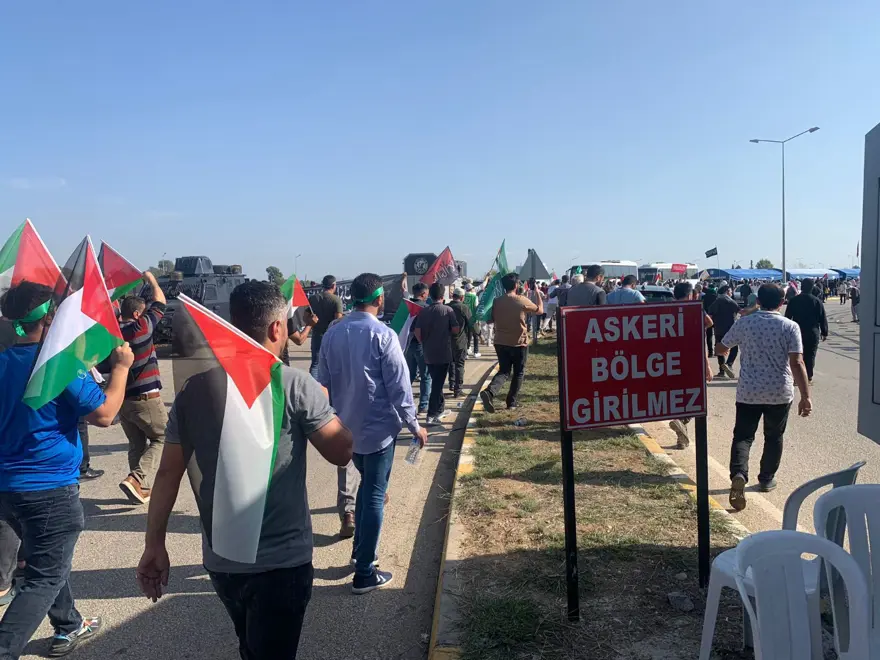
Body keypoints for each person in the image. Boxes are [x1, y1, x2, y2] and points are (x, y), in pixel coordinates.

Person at [138, 280, 353, 659]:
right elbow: (342, 451)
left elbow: (168, 474)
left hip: (223, 561)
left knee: (250, 645)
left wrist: (155, 543)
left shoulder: (195, 390)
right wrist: (326, 406)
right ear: (275, 328)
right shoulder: (295, 385)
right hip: (282, 564)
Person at [0, 281, 134, 658]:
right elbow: (106, 414)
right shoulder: (58, 367)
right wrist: (121, 369)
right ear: (50, 318)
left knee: (47, 558)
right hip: (49, 489)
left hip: (7, 488)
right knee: (44, 576)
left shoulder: (4, 361)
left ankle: (69, 625)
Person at [316, 273, 428, 594]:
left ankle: (359, 553)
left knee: (366, 491)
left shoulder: (332, 334)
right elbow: (399, 388)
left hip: (347, 431)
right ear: (379, 299)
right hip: (378, 433)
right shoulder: (384, 335)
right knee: (375, 495)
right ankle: (365, 572)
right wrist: (414, 425)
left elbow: (324, 381)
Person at [716, 284, 811, 511]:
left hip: (749, 390)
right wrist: (806, 395)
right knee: (774, 436)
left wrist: (726, 350)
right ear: (782, 302)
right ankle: (766, 478)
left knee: (743, 436)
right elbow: (797, 362)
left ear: (757, 300)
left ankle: (739, 473)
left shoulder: (745, 323)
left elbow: (721, 348)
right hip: (779, 391)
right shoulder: (790, 326)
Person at [117, 271, 168, 505]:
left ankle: (139, 489)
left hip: (122, 400)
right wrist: (152, 280)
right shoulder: (141, 328)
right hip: (145, 397)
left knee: (136, 443)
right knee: (162, 438)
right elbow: (161, 303)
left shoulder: (112, 333)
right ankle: (137, 479)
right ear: (137, 314)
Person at [480, 273, 541, 412]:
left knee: (504, 371)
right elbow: (540, 310)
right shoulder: (521, 300)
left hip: (500, 342)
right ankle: (511, 402)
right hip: (518, 342)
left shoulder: (496, 301)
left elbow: (492, 319)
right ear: (516, 285)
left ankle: (489, 392)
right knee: (518, 372)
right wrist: (537, 292)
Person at [668, 282, 713, 448]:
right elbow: (709, 323)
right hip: (692, 357)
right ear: (689, 295)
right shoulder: (693, 308)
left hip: (670, 358)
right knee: (695, 396)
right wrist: (707, 365)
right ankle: (681, 420)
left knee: (678, 394)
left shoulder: (665, 309)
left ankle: (681, 440)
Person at [413, 283, 460, 425]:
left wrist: (424, 341)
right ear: (443, 295)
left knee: (436, 381)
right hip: (443, 353)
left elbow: (417, 332)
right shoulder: (448, 310)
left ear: (430, 295)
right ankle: (431, 414)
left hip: (428, 353)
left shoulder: (424, 311)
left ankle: (439, 409)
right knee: (438, 385)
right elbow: (456, 329)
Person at [784, 278, 828, 382]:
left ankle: (797, 376)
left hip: (797, 331)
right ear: (812, 288)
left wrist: (785, 332)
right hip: (812, 332)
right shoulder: (817, 301)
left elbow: (787, 317)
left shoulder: (794, 300)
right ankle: (808, 376)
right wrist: (824, 332)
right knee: (810, 355)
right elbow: (823, 318)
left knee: (797, 354)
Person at [307, 275, 344, 379]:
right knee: (332, 364)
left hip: (317, 335)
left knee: (315, 364)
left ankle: (314, 389)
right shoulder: (336, 300)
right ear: (333, 285)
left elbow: (306, 317)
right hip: (332, 337)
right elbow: (338, 321)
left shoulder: (313, 298)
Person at [404, 283, 431, 414]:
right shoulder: (426, 308)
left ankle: (406, 404)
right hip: (422, 346)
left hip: (407, 345)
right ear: (423, 294)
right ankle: (423, 405)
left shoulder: (405, 306)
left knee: (409, 376)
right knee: (426, 376)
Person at [709, 285, 739, 379]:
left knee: (719, 348)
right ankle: (729, 364)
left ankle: (722, 371)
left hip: (718, 329)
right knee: (734, 348)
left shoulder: (716, 301)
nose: (731, 293)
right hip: (730, 329)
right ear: (727, 291)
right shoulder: (730, 301)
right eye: (730, 291)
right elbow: (740, 311)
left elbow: (710, 314)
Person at [447, 288, 473, 398]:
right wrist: (478, 333)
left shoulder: (446, 307)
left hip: (447, 341)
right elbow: (471, 324)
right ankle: (458, 389)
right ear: (462, 297)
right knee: (460, 365)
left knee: (451, 363)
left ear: (453, 296)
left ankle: (452, 384)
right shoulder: (464, 308)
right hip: (460, 341)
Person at [463, 282, 481, 357]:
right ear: (471, 289)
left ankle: (466, 352)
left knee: (467, 336)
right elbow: (476, 307)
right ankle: (476, 352)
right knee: (476, 335)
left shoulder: (463, 296)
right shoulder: (474, 297)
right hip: (472, 318)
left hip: (464, 318)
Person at [702, 285, 718, 357]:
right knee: (717, 335)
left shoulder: (704, 297)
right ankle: (717, 350)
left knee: (709, 336)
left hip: (707, 317)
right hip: (716, 317)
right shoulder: (716, 297)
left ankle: (710, 351)